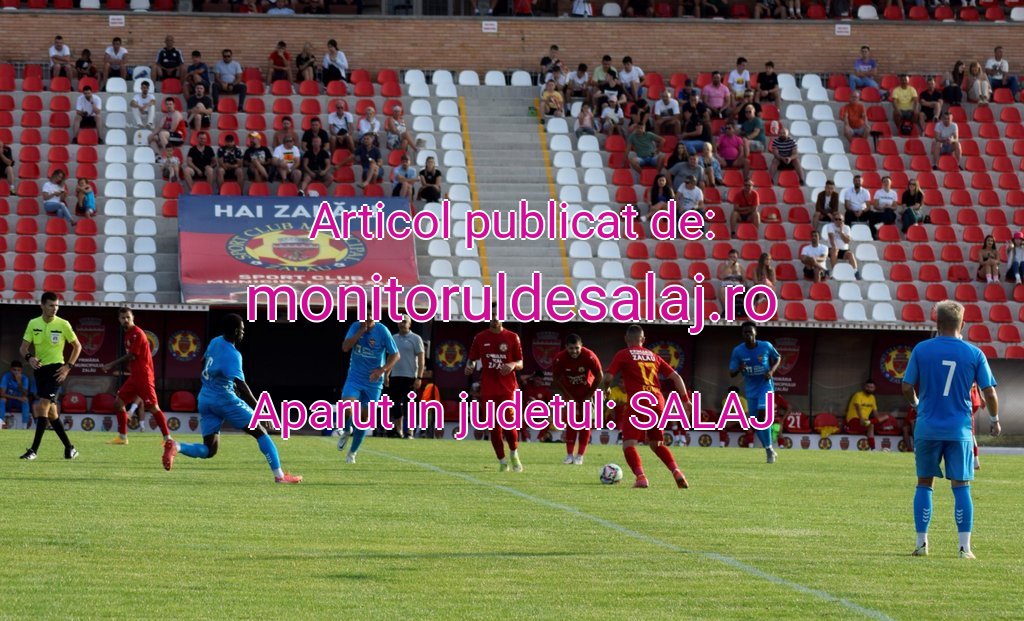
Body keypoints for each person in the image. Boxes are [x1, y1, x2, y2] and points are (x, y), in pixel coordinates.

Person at [902, 300, 999, 559]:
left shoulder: (922, 349)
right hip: (959, 430)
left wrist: (917, 404)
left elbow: (906, 386)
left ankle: (921, 544)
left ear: (937, 323)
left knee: (924, 484)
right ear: (962, 324)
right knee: (961, 486)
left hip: (927, 427)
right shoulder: (974, 353)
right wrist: (994, 418)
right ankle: (964, 548)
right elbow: (989, 392)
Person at [164, 314, 302, 483]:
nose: (243, 332)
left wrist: (217, 379)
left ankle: (177, 446)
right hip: (224, 399)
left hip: (205, 398)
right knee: (260, 431)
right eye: (242, 330)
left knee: (209, 449)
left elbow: (203, 361)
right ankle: (279, 476)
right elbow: (242, 387)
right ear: (236, 331)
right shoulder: (233, 354)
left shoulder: (215, 342)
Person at [604, 324, 690, 489]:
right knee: (656, 444)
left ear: (626, 339)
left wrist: (606, 388)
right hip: (657, 401)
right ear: (643, 339)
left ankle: (641, 478)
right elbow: (676, 377)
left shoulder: (623, 354)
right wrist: (686, 400)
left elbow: (607, 377)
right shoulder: (653, 356)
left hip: (639, 401)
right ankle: (677, 472)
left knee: (629, 444)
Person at [99, 308, 175, 456]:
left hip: (144, 376)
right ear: (119, 319)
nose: (126, 320)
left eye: (128, 317)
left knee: (153, 407)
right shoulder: (128, 333)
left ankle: (168, 439)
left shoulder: (138, 333)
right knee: (118, 402)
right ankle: (122, 437)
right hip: (135, 376)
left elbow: (132, 356)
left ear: (133, 317)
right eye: (123, 318)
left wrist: (110, 364)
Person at [19, 292, 81, 461]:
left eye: (56, 305)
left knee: (43, 406)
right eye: (51, 305)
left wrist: (68, 367)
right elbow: (23, 348)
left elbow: (77, 346)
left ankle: (33, 450)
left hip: (56, 370)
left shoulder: (63, 324)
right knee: (52, 413)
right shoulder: (33, 323)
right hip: (40, 370)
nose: (55, 309)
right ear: (42, 306)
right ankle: (70, 448)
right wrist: (29, 358)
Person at [335, 312, 400, 463]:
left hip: (373, 381)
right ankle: (347, 430)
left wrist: (382, 370)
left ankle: (352, 453)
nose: (368, 317)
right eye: (365, 314)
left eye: (371, 314)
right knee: (346, 406)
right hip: (355, 377)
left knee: (364, 418)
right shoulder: (355, 327)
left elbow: (395, 355)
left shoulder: (382, 331)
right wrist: (360, 331)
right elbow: (345, 347)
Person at [465, 316, 524, 472]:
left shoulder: (512, 337)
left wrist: (512, 364)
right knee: (494, 427)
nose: (495, 319)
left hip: (508, 389)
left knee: (509, 424)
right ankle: (502, 461)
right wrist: (469, 366)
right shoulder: (480, 337)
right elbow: (471, 359)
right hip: (488, 389)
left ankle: (514, 453)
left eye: (497, 316)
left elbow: (520, 363)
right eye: (492, 316)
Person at [729, 321, 782, 464]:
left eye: (750, 332)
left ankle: (769, 449)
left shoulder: (766, 346)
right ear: (742, 334)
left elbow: (777, 358)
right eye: (745, 333)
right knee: (755, 423)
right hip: (751, 390)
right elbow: (731, 373)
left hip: (765, 386)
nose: (748, 335)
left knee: (762, 414)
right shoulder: (738, 351)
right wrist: (739, 368)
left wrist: (771, 371)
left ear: (755, 333)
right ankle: (769, 448)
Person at [551, 334, 603, 465]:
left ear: (581, 346)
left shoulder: (589, 356)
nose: (574, 351)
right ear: (566, 347)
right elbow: (556, 378)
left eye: (576, 348)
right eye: (571, 348)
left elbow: (599, 376)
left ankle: (580, 455)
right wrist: (568, 395)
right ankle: (569, 455)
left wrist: (589, 395)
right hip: (571, 394)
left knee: (585, 424)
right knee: (571, 424)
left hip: (587, 392)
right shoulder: (560, 358)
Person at [386, 317, 424, 439]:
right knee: (396, 404)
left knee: (410, 405)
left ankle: (410, 432)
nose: (402, 324)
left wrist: (419, 377)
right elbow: (390, 357)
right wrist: (387, 374)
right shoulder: (393, 338)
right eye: (400, 321)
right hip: (395, 376)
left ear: (410, 324)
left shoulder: (416, 338)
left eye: (404, 321)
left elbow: (421, 359)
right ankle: (399, 430)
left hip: (410, 377)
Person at [845, 380, 879, 451]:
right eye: (868, 387)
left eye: (871, 387)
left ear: (874, 388)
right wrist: (861, 419)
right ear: (864, 387)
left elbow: (875, 411)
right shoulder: (858, 395)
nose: (869, 389)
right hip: (853, 420)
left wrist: (878, 420)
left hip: (865, 422)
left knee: (885, 418)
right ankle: (873, 448)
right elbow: (858, 408)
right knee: (871, 425)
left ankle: (873, 448)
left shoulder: (872, 398)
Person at [1, 360, 34, 430]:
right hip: (9, 401)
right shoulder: (6, 376)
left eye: (18, 370)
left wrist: (19, 383)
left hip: (19, 403)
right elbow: (2, 393)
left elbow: (25, 394)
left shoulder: (24, 378)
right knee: (2, 400)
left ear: (21, 370)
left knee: (25, 399)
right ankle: (1, 424)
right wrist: (17, 398)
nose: (16, 372)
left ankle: (24, 426)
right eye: (14, 370)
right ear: (11, 369)